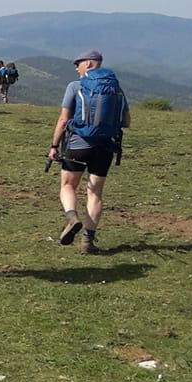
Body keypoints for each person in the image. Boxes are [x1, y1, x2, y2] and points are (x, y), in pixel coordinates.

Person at [47, 49, 130, 254]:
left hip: (79, 143)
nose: (77, 67)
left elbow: (64, 119)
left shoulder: (75, 86)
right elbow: (126, 121)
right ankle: (88, 241)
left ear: (90, 64)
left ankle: (72, 217)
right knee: (95, 193)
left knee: (67, 185)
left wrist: (54, 145)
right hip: (106, 146)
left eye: (79, 63)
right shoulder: (116, 88)